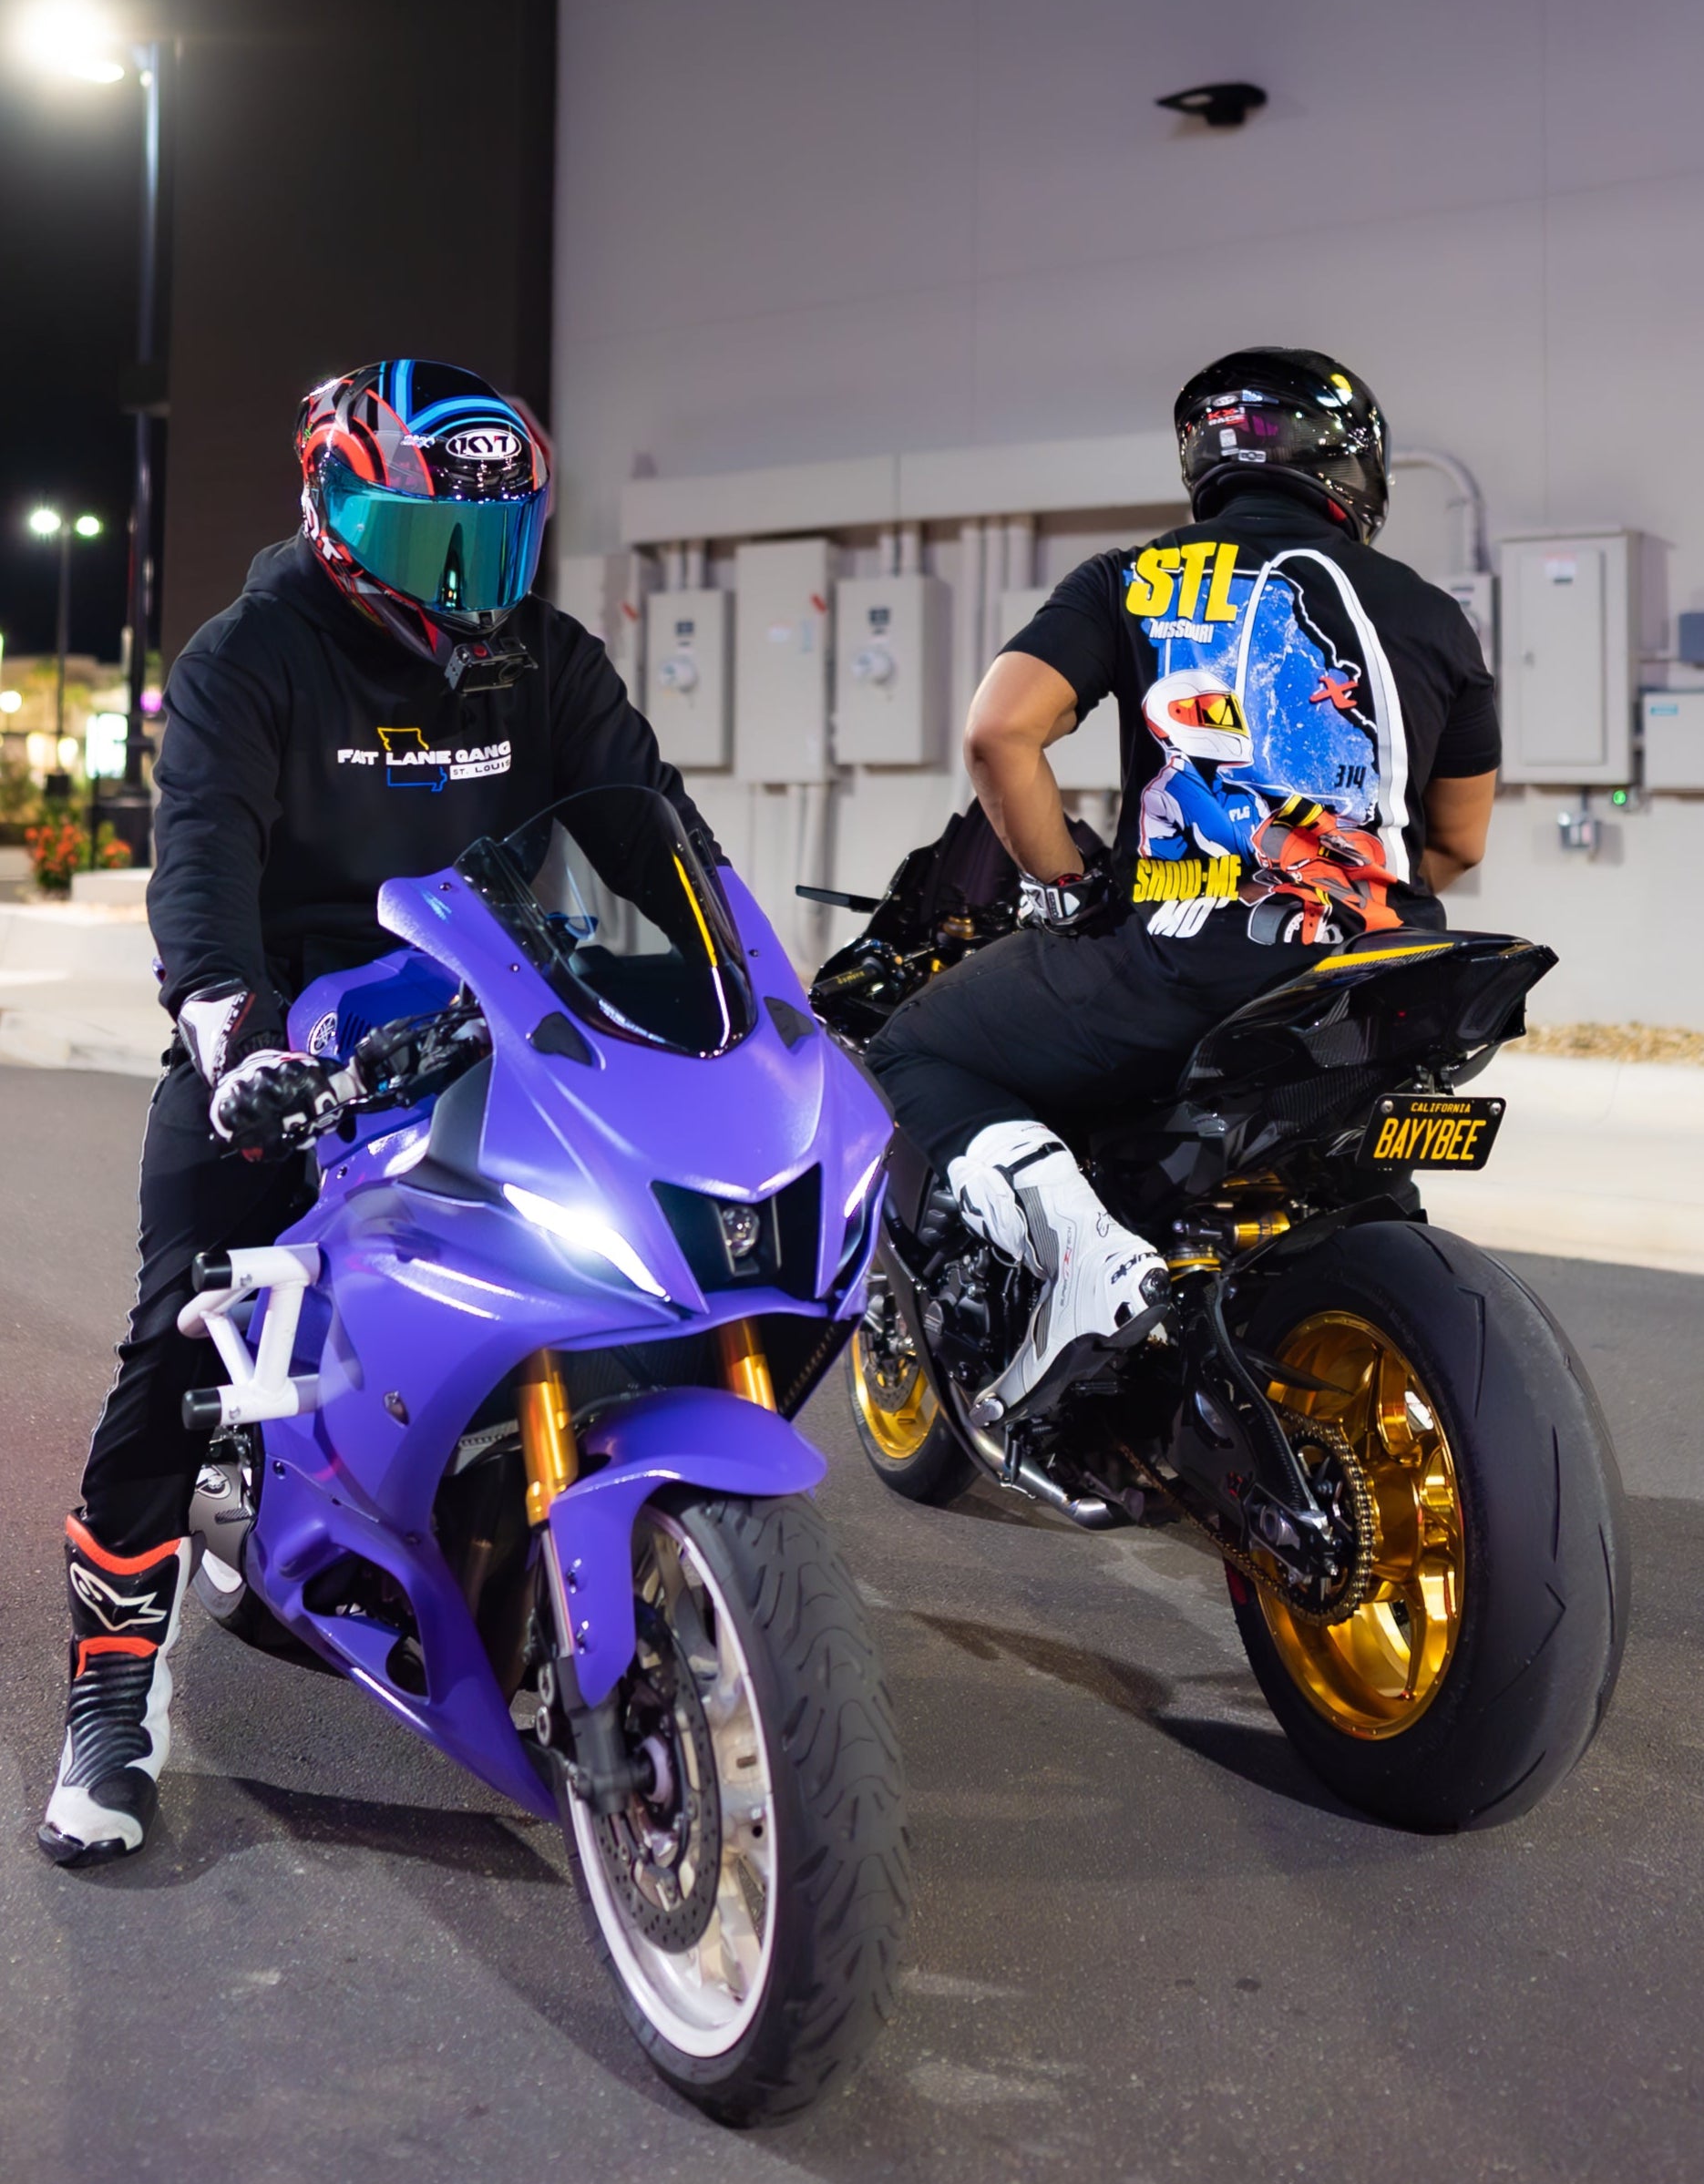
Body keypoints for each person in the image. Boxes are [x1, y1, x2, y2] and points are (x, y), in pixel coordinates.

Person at [41, 359, 715, 1868]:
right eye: (429, 543)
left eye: (495, 542)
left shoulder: (543, 656)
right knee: (180, 1337)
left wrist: (739, 985)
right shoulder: (248, 657)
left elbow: (652, 832)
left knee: (640, 1259)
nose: (467, 583)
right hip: (292, 1035)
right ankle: (111, 1689)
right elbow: (201, 861)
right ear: (335, 512)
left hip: (500, 1014)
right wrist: (229, 1038)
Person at [867, 345, 1500, 1422]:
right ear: (1355, 471)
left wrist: (1068, 886)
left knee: (911, 1048)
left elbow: (999, 733)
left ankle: (1081, 1254)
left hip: (1186, 963)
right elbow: (1458, 840)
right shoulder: (1433, 613)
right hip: (1385, 978)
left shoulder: (1129, 577)